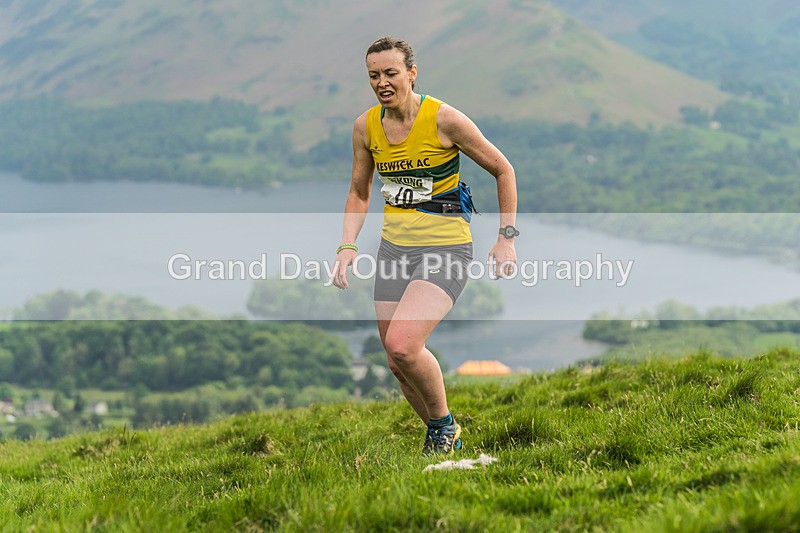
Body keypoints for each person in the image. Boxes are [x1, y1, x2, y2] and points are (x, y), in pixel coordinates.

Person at [333, 36, 518, 455]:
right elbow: (359, 193)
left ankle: (444, 427)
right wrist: (347, 246)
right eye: (373, 76)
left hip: (446, 249)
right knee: (396, 362)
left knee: (403, 344)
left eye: (391, 73)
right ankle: (440, 434)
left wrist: (506, 239)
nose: (382, 82)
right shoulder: (365, 128)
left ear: (412, 74)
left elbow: (503, 169)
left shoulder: (444, 119)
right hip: (394, 252)